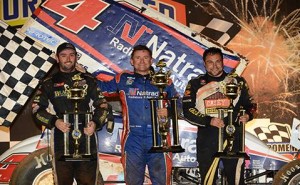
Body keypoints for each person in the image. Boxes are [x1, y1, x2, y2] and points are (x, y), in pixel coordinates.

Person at [98, 45, 178, 185]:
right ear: (131, 61)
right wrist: (83, 75)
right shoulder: (123, 79)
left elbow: (179, 104)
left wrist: (169, 111)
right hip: (133, 139)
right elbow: (101, 89)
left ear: (151, 60)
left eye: (146, 57)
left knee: (162, 182)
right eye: (138, 58)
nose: (142, 61)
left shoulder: (165, 81)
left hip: (159, 137)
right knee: (133, 182)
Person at [32, 42, 109, 185]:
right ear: (57, 58)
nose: (68, 59)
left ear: (76, 58)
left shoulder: (88, 80)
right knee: (62, 182)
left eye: (72, 55)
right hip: (61, 138)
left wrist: (96, 123)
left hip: (87, 137)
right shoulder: (48, 83)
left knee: (88, 182)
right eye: (63, 55)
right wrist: (55, 121)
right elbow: (37, 110)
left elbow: (103, 106)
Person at [182, 47, 255, 185]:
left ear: (223, 62)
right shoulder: (195, 84)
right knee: (208, 181)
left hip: (233, 139)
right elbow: (187, 110)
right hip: (207, 139)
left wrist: (248, 115)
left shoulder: (237, 82)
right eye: (210, 62)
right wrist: (209, 120)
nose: (214, 66)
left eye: (218, 62)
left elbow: (251, 104)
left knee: (236, 180)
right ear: (204, 63)